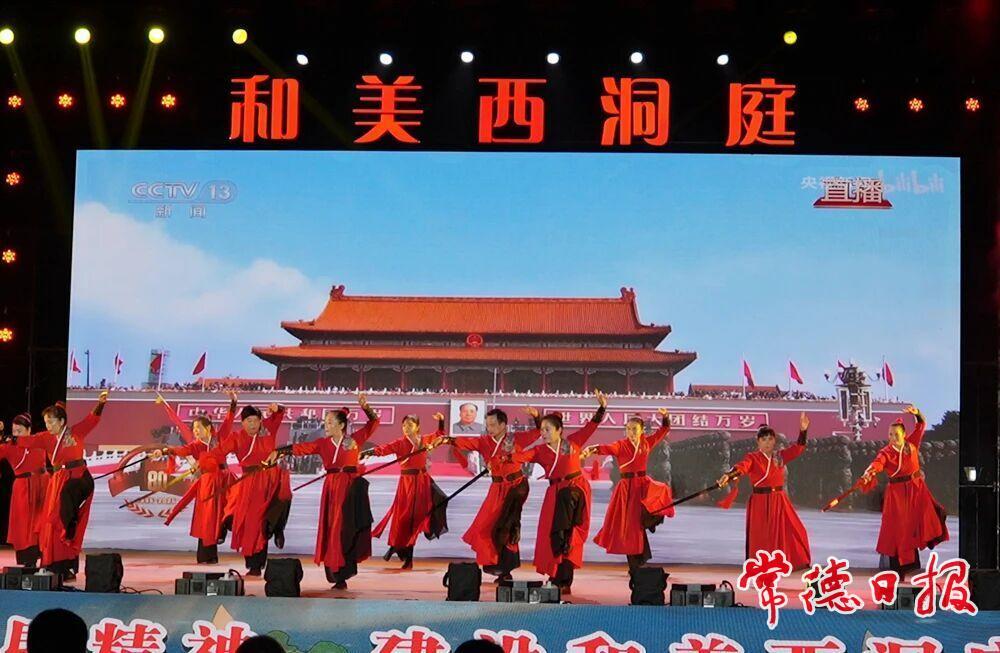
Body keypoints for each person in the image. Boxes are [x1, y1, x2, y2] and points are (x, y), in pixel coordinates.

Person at [268, 394, 380, 588]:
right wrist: (279, 451)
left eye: (329, 422)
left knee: (346, 529)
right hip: (332, 488)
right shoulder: (323, 443)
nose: (326, 425)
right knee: (332, 529)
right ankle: (337, 574)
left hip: (350, 489)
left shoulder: (354, 440)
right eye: (325, 422)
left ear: (341, 425)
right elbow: (302, 448)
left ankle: (343, 570)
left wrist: (366, 407)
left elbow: (374, 423)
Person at [510, 390, 608, 592]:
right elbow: (518, 457)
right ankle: (557, 577)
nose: (543, 433)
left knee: (571, 534)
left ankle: (564, 580)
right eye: (542, 430)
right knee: (555, 534)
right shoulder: (540, 451)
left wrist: (602, 408)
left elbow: (591, 426)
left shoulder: (572, 443)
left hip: (576, 490)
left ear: (559, 430)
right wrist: (502, 458)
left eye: (547, 429)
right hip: (555, 493)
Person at [12, 392, 107, 579]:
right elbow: (26, 441)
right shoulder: (45, 438)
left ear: (62, 421)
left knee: (63, 519)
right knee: (52, 523)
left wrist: (101, 403)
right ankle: (57, 565)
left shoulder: (76, 432)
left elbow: (91, 419)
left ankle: (68, 559)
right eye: (46, 422)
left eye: (51, 422)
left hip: (76, 479)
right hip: (58, 480)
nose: (48, 426)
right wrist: (8, 437)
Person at [441, 407, 541, 581]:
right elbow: (466, 442)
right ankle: (495, 564)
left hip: (516, 487)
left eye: (493, 425)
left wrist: (537, 416)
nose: (490, 428)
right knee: (486, 525)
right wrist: (447, 440)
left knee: (506, 525)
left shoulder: (515, 439)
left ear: (503, 425)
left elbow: (537, 433)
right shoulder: (484, 441)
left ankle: (505, 569)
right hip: (496, 488)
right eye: (488, 425)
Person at [858, 405, 948, 574]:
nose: (893, 438)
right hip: (897, 494)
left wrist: (917, 414)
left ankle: (925, 544)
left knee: (930, 517)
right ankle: (899, 566)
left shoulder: (911, 444)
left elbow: (921, 426)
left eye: (896, 434)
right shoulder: (886, 452)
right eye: (890, 434)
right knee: (900, 529)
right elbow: (877, 463)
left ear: (904, 434)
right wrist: (870, 471)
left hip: (916, 489)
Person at [717, 413, 812, 571]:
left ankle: (785, 562)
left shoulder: (780, 456)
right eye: (764, 439)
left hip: (779, 500)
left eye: (770, 439)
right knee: (761, 534)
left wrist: (803, 431)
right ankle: (760, 565)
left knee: (795, 530)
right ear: (758, 442)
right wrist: (729, 475)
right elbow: (742, 467)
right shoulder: (753, 457)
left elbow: (798, 449)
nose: (767, 443)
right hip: (760, 500)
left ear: (774, 441)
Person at [151, 392, 237, 564]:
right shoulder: (196, 446)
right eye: (194, 428)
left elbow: (228, 420)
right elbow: (181, 450)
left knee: (234, 509)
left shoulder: (219, 438)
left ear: (208, 428)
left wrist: (233, 402)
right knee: (207, 519)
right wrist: (164, 451)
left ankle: (225, 529)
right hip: (208, 484)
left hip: (225, 481)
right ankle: (207, 556)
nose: (196, 431)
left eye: (199, 427)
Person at [583, 408, 673, 570]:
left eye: (634, 429)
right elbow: (607, 448)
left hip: (642, 485)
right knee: (632, 525)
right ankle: (635, 564)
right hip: (628, 489)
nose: (631, 432)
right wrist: (592, 449)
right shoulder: (621, 445)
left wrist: (665, 417)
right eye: (628, 429)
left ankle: (650, 525)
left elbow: (663, 430)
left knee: (661, 496)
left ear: (641, 430)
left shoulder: (646, 443)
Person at [209, 397, 290, 576]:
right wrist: (204, 463)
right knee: (250, 523)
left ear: (261, 421)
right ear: (243, 423)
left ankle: (278, 529)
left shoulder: (268, 428)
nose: (253, 424)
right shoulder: (236, 437)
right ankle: (254, 564)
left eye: (255, 420)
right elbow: (218, 452)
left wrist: (277, 407)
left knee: (277, 507)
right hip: (249, 482)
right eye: (248, 421)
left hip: (271, 479)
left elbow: (281, 412)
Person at [365, 412, 448, 570]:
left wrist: (441, 421)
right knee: (404, 519)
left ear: (417, 427)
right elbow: (383, 449)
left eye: (410, 425)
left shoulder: (424, 440)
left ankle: (402, 550)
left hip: (423, 482)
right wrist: (367, 452)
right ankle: (400, 549)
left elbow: (439, 435)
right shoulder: (400, 443)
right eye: (404, 425)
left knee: (417, 518)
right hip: (407, 484)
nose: (406, 428)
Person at [0, 414, 49, 565]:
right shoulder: (9, 446)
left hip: (43, 484)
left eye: (20, 431)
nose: (16, 434)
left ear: (29, 430)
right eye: (14, 431)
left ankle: (47, 559)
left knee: (44, 521)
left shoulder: (39, 440)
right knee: (24, 525)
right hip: (23, 488)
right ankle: (28, 561)